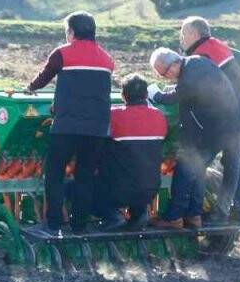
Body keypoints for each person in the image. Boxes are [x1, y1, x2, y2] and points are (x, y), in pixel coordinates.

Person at [26, 12, 114, 233]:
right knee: (84, 177)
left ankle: (54, 223)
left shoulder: (62, 54)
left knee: (54, 173)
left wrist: (30, 88)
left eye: (67, 31)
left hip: (67, 127)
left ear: (72, 32)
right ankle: (79, 226)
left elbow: (43, 78)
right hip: (97, 130)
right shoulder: (106, 59)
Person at [147, 48, 240, 230]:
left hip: (211, 130)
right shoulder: (197, 63)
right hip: (223, 126)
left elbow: (173, 97)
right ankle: (194, 215)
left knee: (184, 170)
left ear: (174, 63)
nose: (167, 77)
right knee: (198, 169)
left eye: (165, 72)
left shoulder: (190, 76)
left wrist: (155, 94)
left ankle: (174, 218)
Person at [180, 16, 240, 224]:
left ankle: (221, 212)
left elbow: (193, 88)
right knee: (239, 163)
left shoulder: (202, 55)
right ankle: (237, 211)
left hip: (234, 115)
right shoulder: (218, 46)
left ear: (195, 34)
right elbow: (238, 60)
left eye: (183, 33)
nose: (181, 37)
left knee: (229, 162)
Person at [94, 75, 168, 231]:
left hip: (118, 190)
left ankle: (113, 216)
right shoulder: (159, 116)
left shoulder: (113, 115)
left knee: (79, 186)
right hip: (150, 189)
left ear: (123, 96)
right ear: (147, 95)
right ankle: (139, 215)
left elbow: (94, 142)